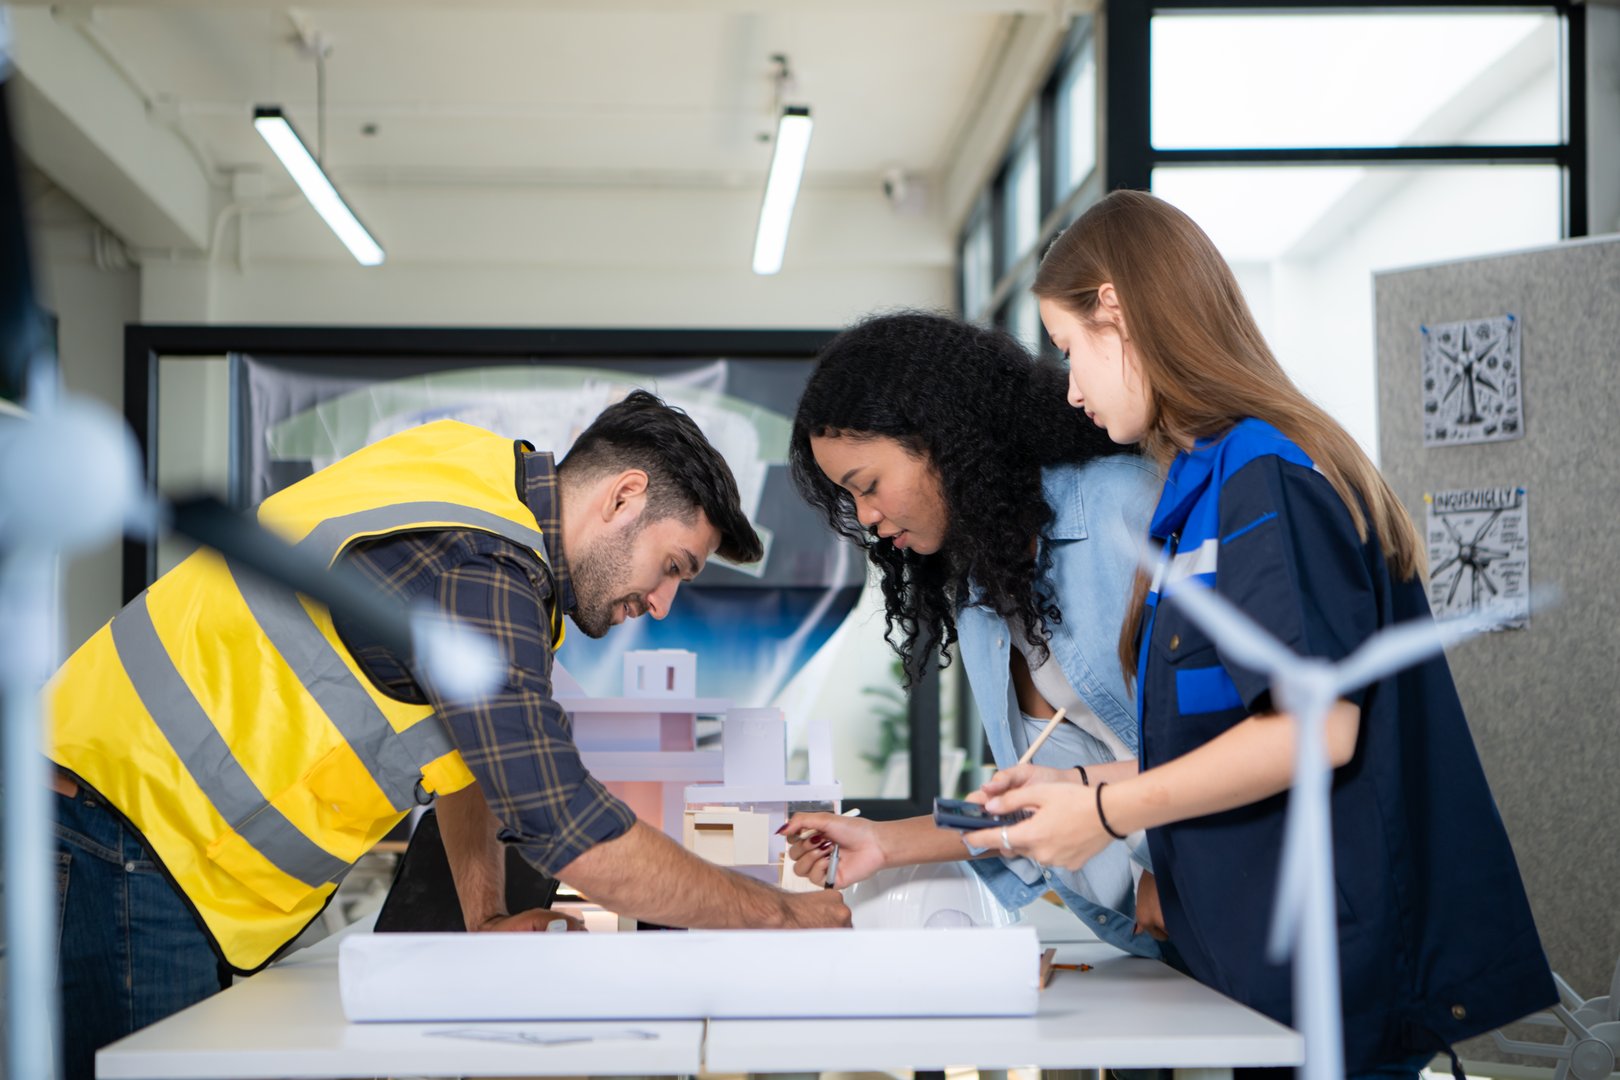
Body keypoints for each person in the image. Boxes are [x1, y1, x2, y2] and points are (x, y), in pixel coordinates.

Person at [46, 390, 850, 1079]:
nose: (664, 601)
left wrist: (489, 920)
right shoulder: (483, 563)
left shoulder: (484, 493)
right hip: (126, 825)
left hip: (151, 839)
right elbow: (569, 829)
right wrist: (780, 917)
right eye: (673, 566)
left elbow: (468, 762)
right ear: (623, 498)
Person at [970, 190, 1554, 1077]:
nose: (1072, 389)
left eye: (1071, 350)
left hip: (1326, 968)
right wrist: (1075, 783)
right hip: (1257, 962)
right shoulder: (1197, 491)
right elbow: (1233, 736)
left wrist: (1101, 813)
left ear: (1116, 311)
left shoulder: (1266, 479)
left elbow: (1318, 731)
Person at [779, 312, 1167, 957]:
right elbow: (1038, 800)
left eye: (867, 486)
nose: (868, 519)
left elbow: (1233, 740)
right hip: (1158, 938)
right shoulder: (989, 593)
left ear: (945, 439)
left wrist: (1164, 863)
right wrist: (886, 841)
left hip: (1254, 900)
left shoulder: (1122, 509)